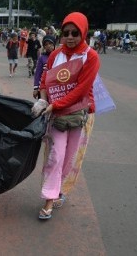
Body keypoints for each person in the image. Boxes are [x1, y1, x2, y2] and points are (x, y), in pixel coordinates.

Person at [31, 12, 100, 220]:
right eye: (66, 33)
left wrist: (55, 104)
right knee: (56, 155)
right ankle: (49, 199)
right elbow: (45, 80)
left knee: (69, 159)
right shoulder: (55, 55)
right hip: (57, 115)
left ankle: (58, 188)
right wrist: (44, 100)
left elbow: (82, 89)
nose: (70, 37)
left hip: (80, 115)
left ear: (84, 33)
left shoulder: (91, 56)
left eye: (75, 33)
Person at [33, 35, 56, 99]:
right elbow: (38, 74)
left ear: (54, 44)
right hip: (43, 88)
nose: (48, 46)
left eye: (50, 43)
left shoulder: (59, 56)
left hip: (56, 88)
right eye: (46, 44)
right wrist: (36, 88)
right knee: (43, 107)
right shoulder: (42, 58)